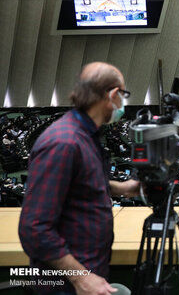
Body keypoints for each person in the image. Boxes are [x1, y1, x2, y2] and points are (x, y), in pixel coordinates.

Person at [19, 62, 141, 295]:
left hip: (87, 274)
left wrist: (124, 188)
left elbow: (79, 184)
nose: (123, 102)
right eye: (122, 94)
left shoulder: (84, 134)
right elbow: (34, 228)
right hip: (66, 286)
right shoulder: (64, 143)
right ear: (113, 95)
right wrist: (81, 278)